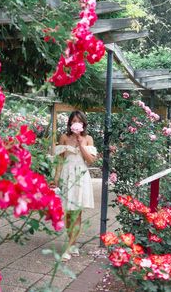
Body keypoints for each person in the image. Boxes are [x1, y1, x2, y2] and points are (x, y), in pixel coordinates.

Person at [54, 110, 97, 261]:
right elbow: (59, 160)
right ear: (70, 123)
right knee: (67, 213)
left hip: (81, 176)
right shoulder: (64, 137)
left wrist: (81, 143)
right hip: (67, 175)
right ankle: (72, 244)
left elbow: (91, 161)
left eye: (78, 121)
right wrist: (56, 177)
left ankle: (69, 247)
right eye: (73, 121)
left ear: (83, 123)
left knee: (77, 213)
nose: (76, 123)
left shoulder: (88, 138)